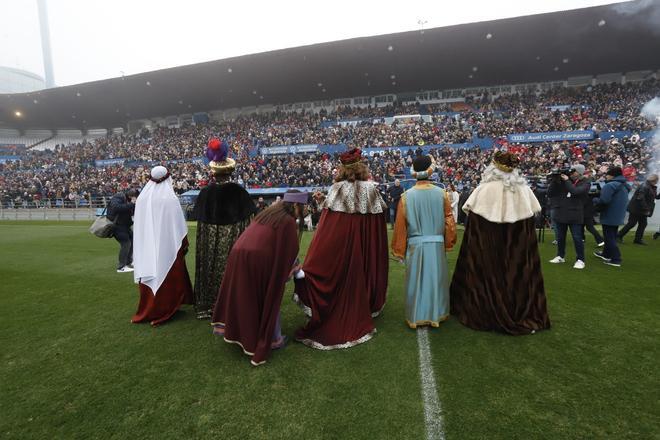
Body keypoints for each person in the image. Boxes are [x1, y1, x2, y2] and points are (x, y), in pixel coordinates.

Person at [293, 148, 388, 349]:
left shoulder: (337, 188)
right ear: (361, 168)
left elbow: (329, 226)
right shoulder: (370, 189)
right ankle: (362, 304)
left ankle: (335, 306)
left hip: (341, 244)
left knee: (341, 275)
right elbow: (377, 224)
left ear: (343, 169)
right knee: (357, 273)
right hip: (363, 246)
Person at [450, 152, 550, 335]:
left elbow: (473, 236)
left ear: (493, 168)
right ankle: (519, 310)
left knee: (488, 270)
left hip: (488, 251)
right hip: (517, 256)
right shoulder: (525, 191)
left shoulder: (483, 190)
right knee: (517, 273)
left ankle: (486, 309)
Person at [211, 191, 308, 366]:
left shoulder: (269, 213)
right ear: (295, 206)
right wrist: (297, 271)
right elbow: (289, 252)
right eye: (304, 206)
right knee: (270, 295)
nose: (305, 210)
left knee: (246, 297)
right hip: (257, 260)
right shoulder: (287, 221)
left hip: (239, 254)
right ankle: (274, 339)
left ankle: (244, 332)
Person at [192, 138, 257, 319]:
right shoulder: (238, 191)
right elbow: (250, 220)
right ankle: (233, 303)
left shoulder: (205, 192)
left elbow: (199, 219)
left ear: (213, 173)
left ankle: (208, 304)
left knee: (210, 266)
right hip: (233, 239)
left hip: (210, 239)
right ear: (231, 171)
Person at [391, 155, 457, 328]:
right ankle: (436, 314)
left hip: (415, 245)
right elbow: (449, 220)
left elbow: (400, 226)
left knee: (416, 280)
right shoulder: (441, 193)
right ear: (431, 170)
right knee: (435, 279)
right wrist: (448, 240)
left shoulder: (406, 197)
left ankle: (416, 316)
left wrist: (399, 249)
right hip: (436, 244)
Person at [132, 166, 194, 326]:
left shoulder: (142, 199)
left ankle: (150, 308)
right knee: (166, 273)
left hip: (147, 246)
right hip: (168, 246)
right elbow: (178, 226)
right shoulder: (169, 199)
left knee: (151, 272)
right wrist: (183, 242)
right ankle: (165, 308)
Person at [547, 164, 590, 269]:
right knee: (560, 237)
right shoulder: (563, 182)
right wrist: (555, 180)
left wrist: (566, 181)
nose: (571, 173)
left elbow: (575, 191)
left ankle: (580, 259)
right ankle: (560, 256)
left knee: (577, 238)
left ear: (579, 172)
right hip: (561, 212)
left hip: (575, 214)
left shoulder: (585, 182)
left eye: (573, 171)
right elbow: (550, 193)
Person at [594, 167, 631, 267]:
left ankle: (616, 259)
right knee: (612, 235)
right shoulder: (624, 185)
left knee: (609, 237)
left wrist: (595, 199)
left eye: (607, 174)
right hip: (618, 214)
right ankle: (606, 254)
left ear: (612, 175)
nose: (606, 176)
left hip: (610, 214)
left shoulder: (610, 185)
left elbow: (604, 200)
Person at [618, 174, 659, 245]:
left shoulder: (649, 186)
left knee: (642, 224)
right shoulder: (645, 186)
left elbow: (655, 197)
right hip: (637, 209)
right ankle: (619, 236)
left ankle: (638, 239)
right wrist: (646, 209)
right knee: (632, 223)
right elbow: (640, 198)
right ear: (654, 180)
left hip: (640, 209)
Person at [107, 187, 138, 273]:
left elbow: (130, 210)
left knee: (132, 240)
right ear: (131, 195)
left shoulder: (127, 199)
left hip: (125, 225)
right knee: (126, 243)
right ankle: (121, 267)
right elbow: (116, 208)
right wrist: (132, 204)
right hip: (117, 225)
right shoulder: (119, 196)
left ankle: (128, 262)